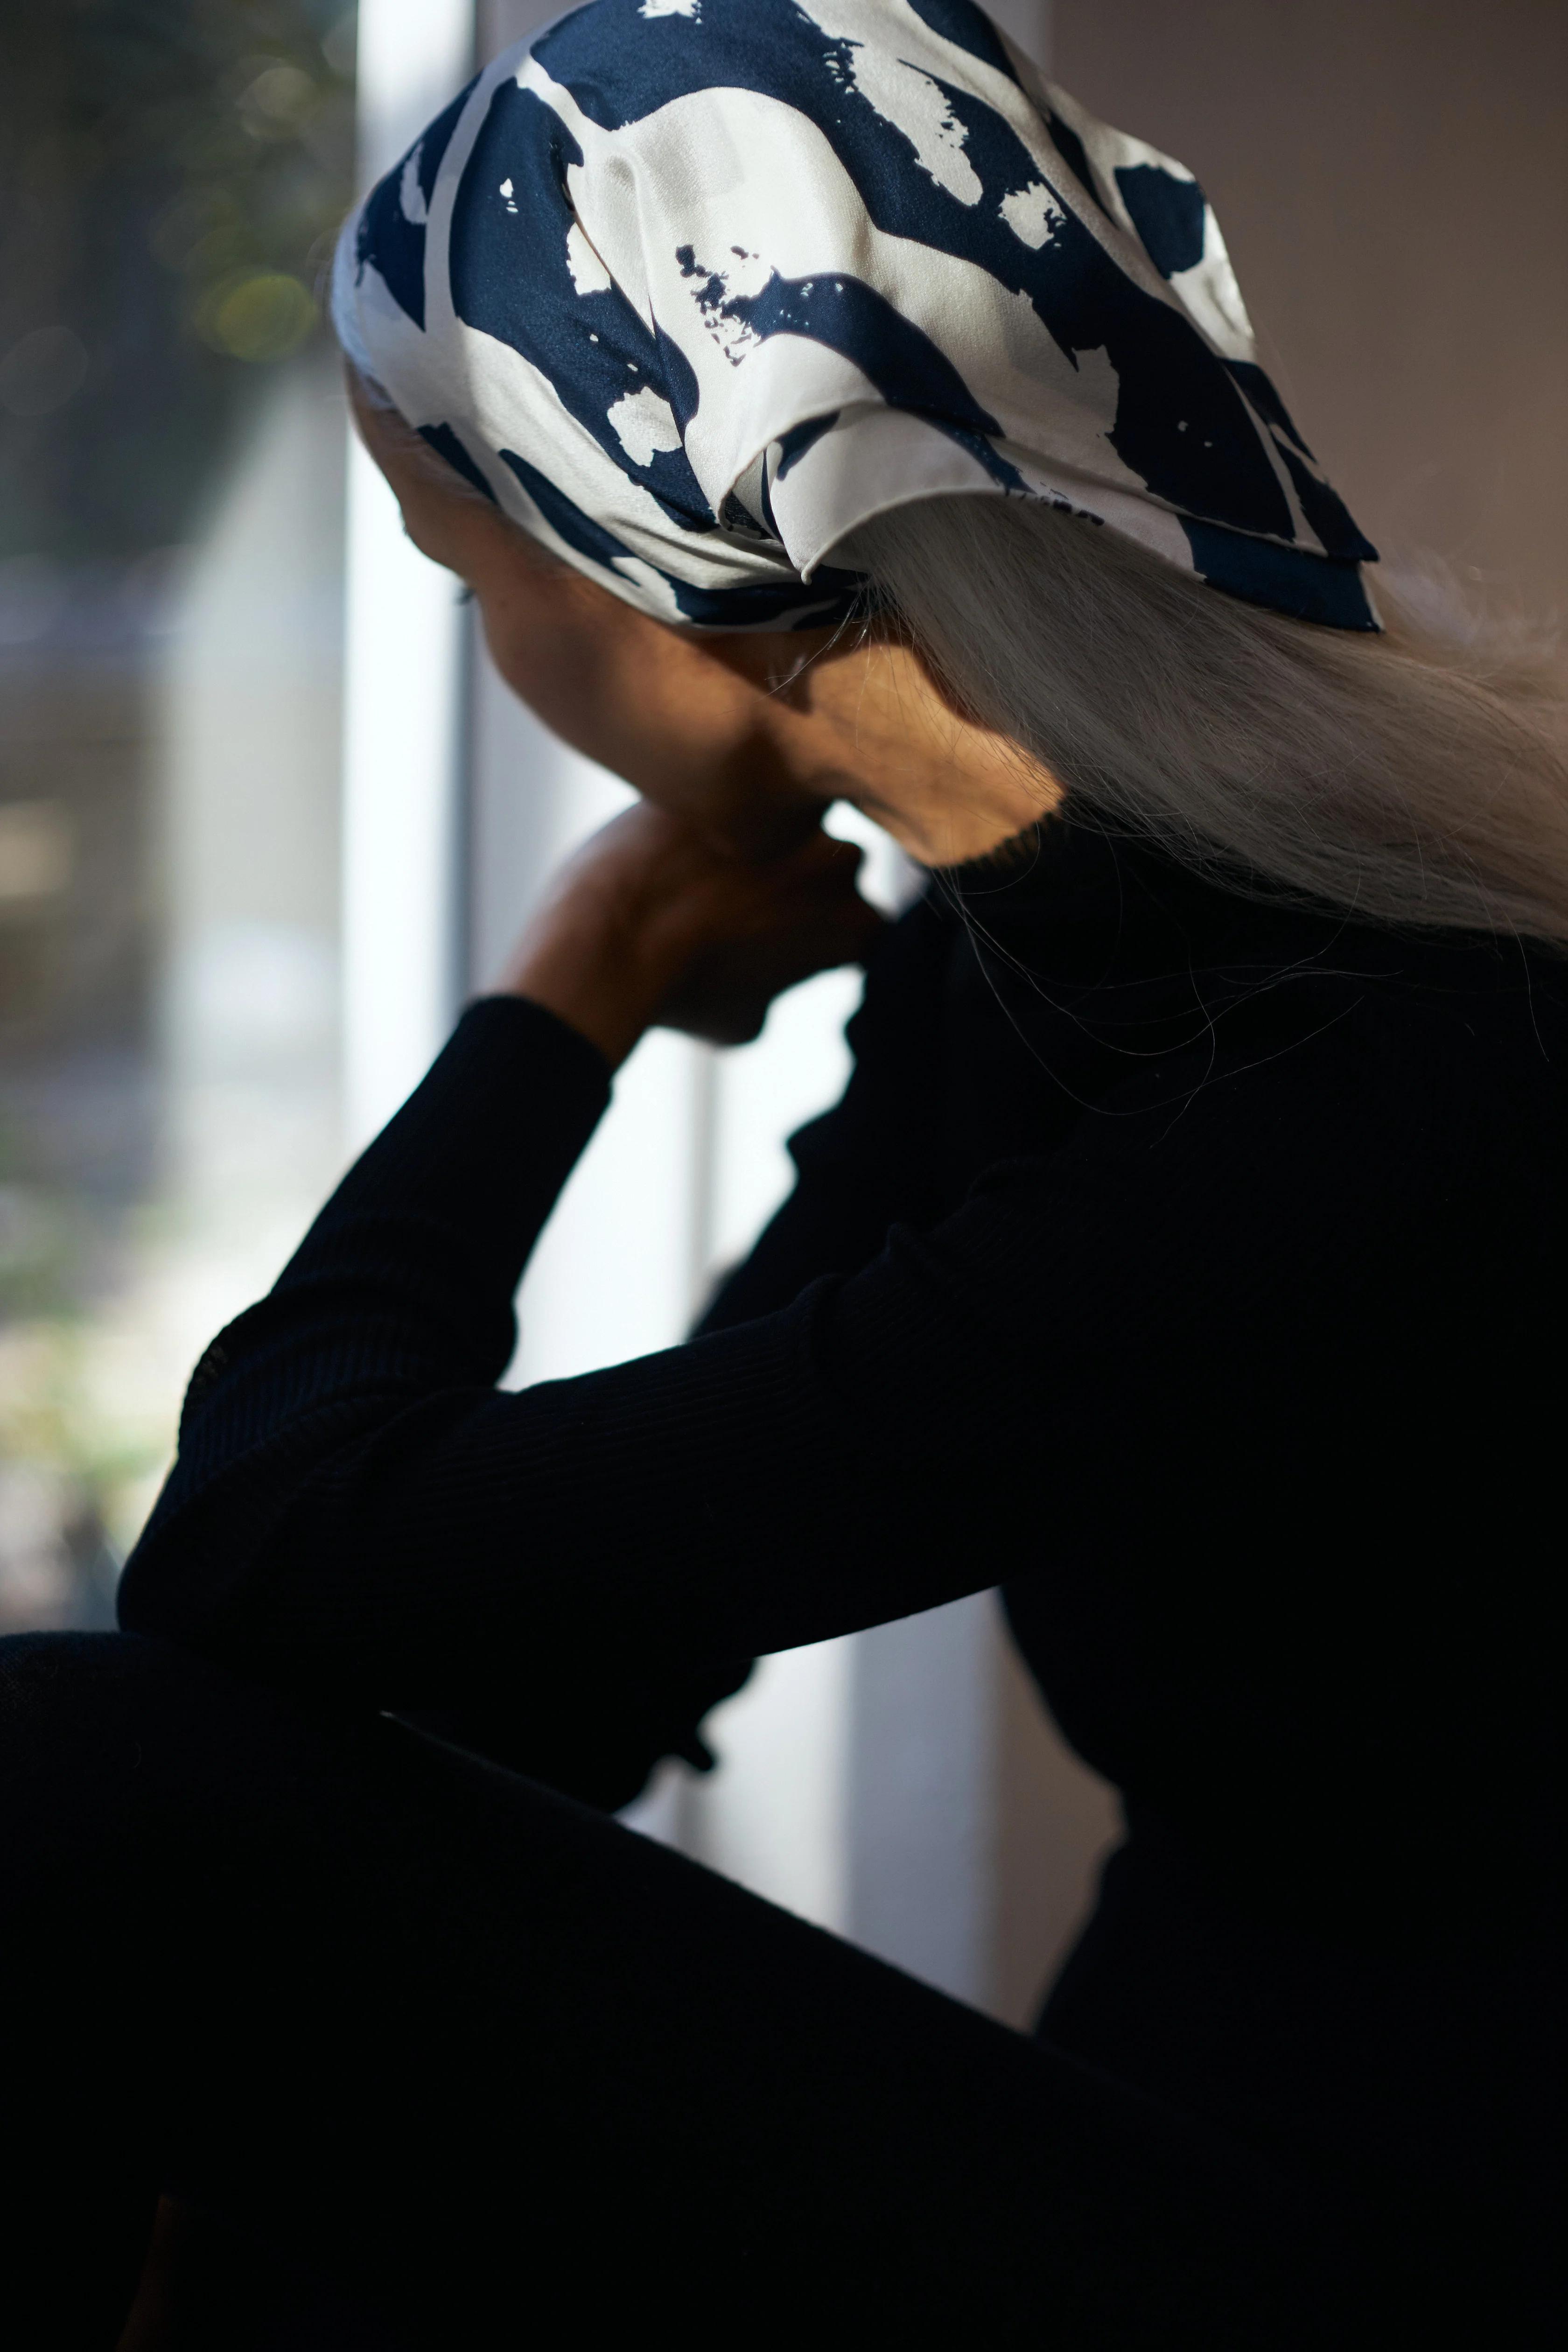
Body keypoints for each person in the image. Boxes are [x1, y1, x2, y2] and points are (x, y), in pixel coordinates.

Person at [2, 3, 1561, 2342]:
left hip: (1423, 2271)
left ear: (668, 572)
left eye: (468, 580)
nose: (490, 641)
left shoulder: (1376, 1077)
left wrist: (570, 988)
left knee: (76, 1794)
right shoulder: (1056, 965)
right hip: (1202, 2142)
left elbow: (259, 1558)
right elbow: (522, 1668)